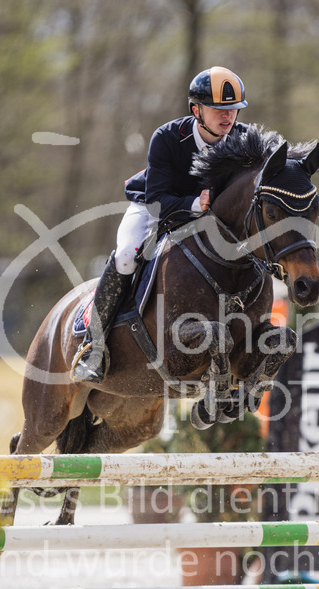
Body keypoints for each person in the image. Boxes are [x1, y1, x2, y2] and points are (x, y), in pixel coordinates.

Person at [71, 66, 250, 384]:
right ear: (196, 109)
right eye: (219, 109)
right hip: (155, 206)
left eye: (233, 109)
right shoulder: (167, 138)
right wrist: (196, 204)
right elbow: (156, 201)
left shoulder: (242, 139)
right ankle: (93, 347)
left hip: (208, 218)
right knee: (127, 254)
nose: (228, 117)